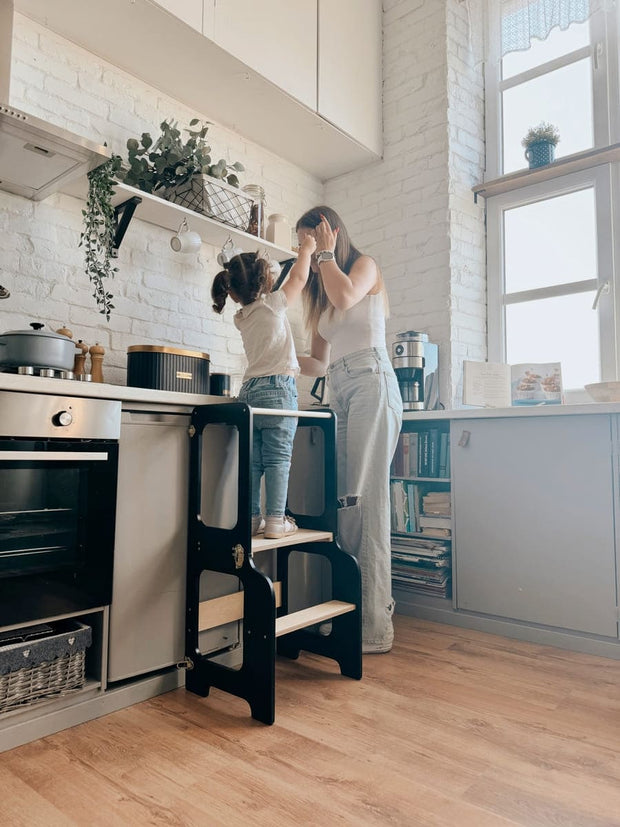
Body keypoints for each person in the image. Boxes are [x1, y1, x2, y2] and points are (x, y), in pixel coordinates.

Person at [295, 206, 403, 653]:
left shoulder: (362, 265)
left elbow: (346, 298)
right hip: (337, 388)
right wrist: (276, 352)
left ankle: (373, 628)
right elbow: (318, 362)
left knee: (366, 503)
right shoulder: (320, 293)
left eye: (309, 239)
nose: (304, 250)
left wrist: (322, 256)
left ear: (329, 231)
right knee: (339, 506)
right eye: (299, 244)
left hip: (371, 382)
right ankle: (343, 613)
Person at [211, 238, 316, 540]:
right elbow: (299, 278)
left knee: (254, 461)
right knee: (279, 458)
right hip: (278, 390)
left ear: (231, 293)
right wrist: (306, 251)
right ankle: (275, 520)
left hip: (250, 393)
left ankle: (253, 518)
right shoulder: (273, 305)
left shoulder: (241, 317)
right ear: (265, 280)